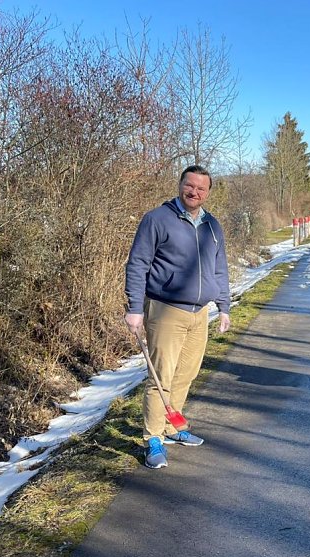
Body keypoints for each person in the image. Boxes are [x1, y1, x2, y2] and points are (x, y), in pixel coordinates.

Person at [124, 165, 231, 468]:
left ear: (208, 192)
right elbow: (137, 264)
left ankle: (172, 426)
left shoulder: (212, 226)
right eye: (190, 185)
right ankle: (153, 439)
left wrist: (224, 307)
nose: (194, 192)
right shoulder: (157, 219)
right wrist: (134, 308)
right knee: (161, 378)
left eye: (201, 188)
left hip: (200, 313)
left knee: (186, 373)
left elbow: (219, 269)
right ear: (180, 184)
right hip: (166, 309)